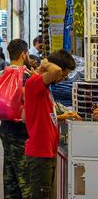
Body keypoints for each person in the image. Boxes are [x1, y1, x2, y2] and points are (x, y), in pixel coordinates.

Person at [24, 50, 78, 199]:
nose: (63, 77)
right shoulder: (34, 83)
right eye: (64, 74)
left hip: (46, 151)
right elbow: (56, 70)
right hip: (40, 153)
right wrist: (45, 63)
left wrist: (61, 116)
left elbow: (37, 116)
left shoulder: (44, 89)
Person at [0, 39, 34, 199]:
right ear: (23, 54)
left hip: (5, 129)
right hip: (21, 132)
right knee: (25, 178)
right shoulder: (23, 76)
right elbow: (28, 102)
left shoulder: (5, 73)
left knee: (10, 175)